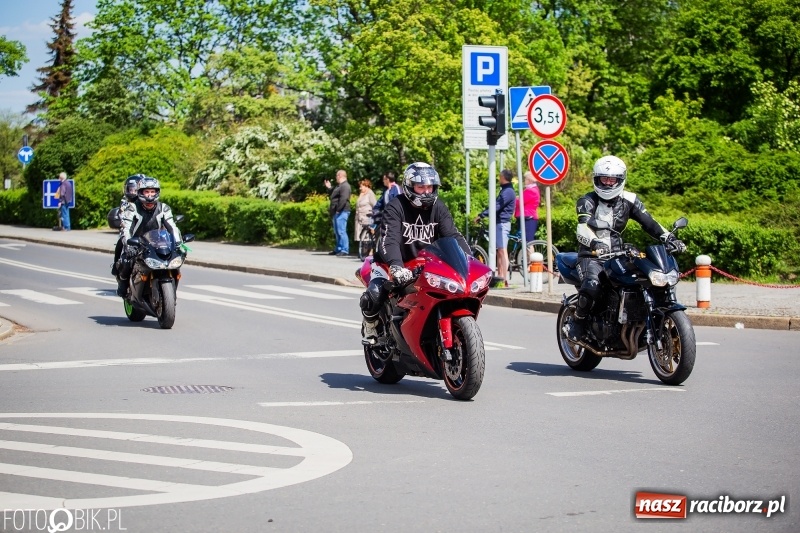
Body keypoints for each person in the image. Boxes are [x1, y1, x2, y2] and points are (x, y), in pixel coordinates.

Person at [567, 155, 686, 341]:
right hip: (591, 255)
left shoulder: (630, 199)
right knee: (593, 284)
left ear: (620, 180)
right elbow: (582, 227)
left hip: (617, 254)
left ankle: (637, 319)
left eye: (612, 180)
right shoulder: (587, 200)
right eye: (604, 179)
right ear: (596, 179)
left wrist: (669, 238)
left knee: (642, 280)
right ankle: (578, 322)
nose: (608, 184)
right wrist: (595, 243)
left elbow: (650, 223)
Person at [360, 162, 470, 344]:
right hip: (392, 262)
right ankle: (370, 325)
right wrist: (396, 266)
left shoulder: (438, 207)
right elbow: (389, 239)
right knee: (376, 292)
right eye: (421, 187)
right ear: (410, 186)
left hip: (426, 264)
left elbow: (453, 236)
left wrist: (469, 261)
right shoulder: (396, 206)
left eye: (430, 187)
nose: (426, 192)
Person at [115, 175, 182, 297]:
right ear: (140, 192)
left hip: (158, 243)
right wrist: (129, 244)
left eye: (152, 191)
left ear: (157, 192)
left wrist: (178, 243)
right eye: (147, 192)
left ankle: (169, 292)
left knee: (172, 262)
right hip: (137, 243)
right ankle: (123, 284)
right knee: (126, 261)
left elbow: (172, 227)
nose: (150, 195)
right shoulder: (132, 208)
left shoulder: (164, 208)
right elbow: (126, 228)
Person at [474, 168, 516, 286]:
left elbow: (497, 206)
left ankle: (504, 279)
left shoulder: (508, 192)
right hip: (500, 223)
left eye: (500, 176)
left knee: (502, 250)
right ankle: (500, 277)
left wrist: (482, 215)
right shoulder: (506, 190)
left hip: (502, 223)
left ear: (503, 177)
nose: (498, 178)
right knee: (499, 251)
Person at [111, 175, 143, 278]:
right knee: (121, 240)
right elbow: (121, 214)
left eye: (135, 189)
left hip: (144, 230)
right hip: (129, 228)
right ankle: (116, 265)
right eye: (130, 189)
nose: (132, 192)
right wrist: (123, 221)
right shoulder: (125, 201)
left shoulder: (146, 201)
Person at [324, 169, 351, 256]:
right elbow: (334, 194)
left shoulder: (345, 186)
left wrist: (339, 209)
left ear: (340, 176)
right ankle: (338, 248)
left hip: (342, 211)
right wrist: (329, 187)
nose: (336, 177)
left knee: (341, 231)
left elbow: (344, 199)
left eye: (336, 176)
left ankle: (344, 249)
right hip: (337, 212)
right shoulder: (339, 186)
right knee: (337, 231)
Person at [514, 171, 541, 259]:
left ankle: (532, 262)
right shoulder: (531, 190)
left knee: (529, 242)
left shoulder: (531, 191)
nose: (524, 181)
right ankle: (529, 261)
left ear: (529, 180)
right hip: (525, 217)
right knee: (526, 242)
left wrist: (514, 199)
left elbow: (520, 202)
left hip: (528, 218)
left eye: (525, 179)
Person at [354, 179, 377, 244]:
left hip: (367, 219)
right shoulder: (361, 194)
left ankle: (368, 249)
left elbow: (375, 206)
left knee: (367, 238)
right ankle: (362, 249)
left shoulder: (370, 194)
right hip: (359, 219)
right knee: (361, 238)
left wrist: (373, 220)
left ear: (366, 186)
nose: (360, 188)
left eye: (361, 186)